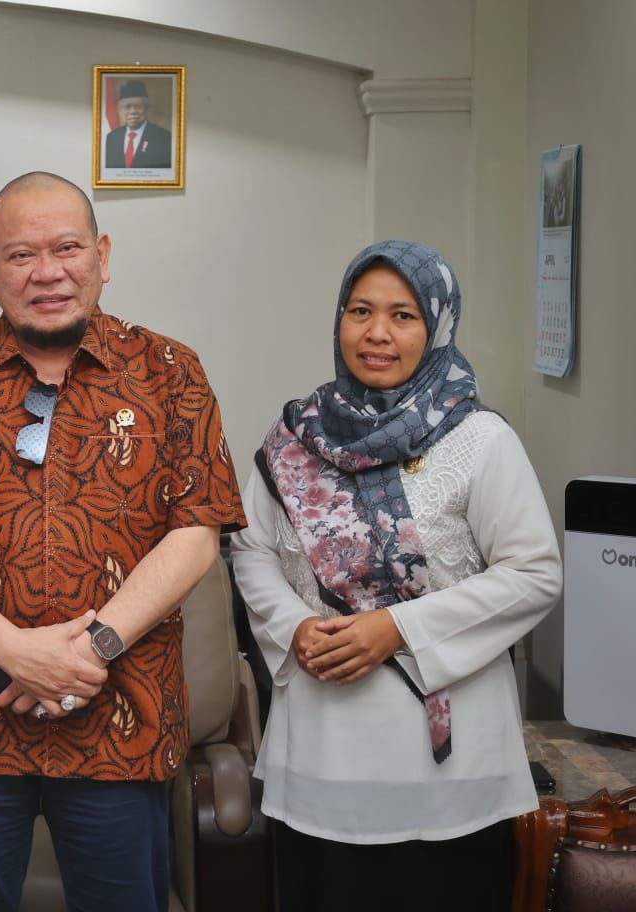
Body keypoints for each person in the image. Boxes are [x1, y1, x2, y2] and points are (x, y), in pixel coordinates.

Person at [0, 171, 245, 912]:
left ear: (102, 255)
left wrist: (91, 649)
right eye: (21, 255)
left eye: (67, 248)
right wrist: (15, 651)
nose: (47, 272)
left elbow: (196, 534)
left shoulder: (171, 373)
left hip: (120, 720)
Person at [230, 240, 562, 912]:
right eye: (361, 311)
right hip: (320, 751)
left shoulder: (480, 439)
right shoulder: (292, 439)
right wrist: (295, 629)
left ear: (436, 327)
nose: (377, 333)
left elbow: (534, 573)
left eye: (403, 315)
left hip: (449, 771)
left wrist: (398, 628)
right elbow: (251, 549)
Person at [103, 81, 172, 169]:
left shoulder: (164, 138)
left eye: (139, 106)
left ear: (147, 108)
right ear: (119, 110)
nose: (133, 112)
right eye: (127, 107)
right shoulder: (111, 137)